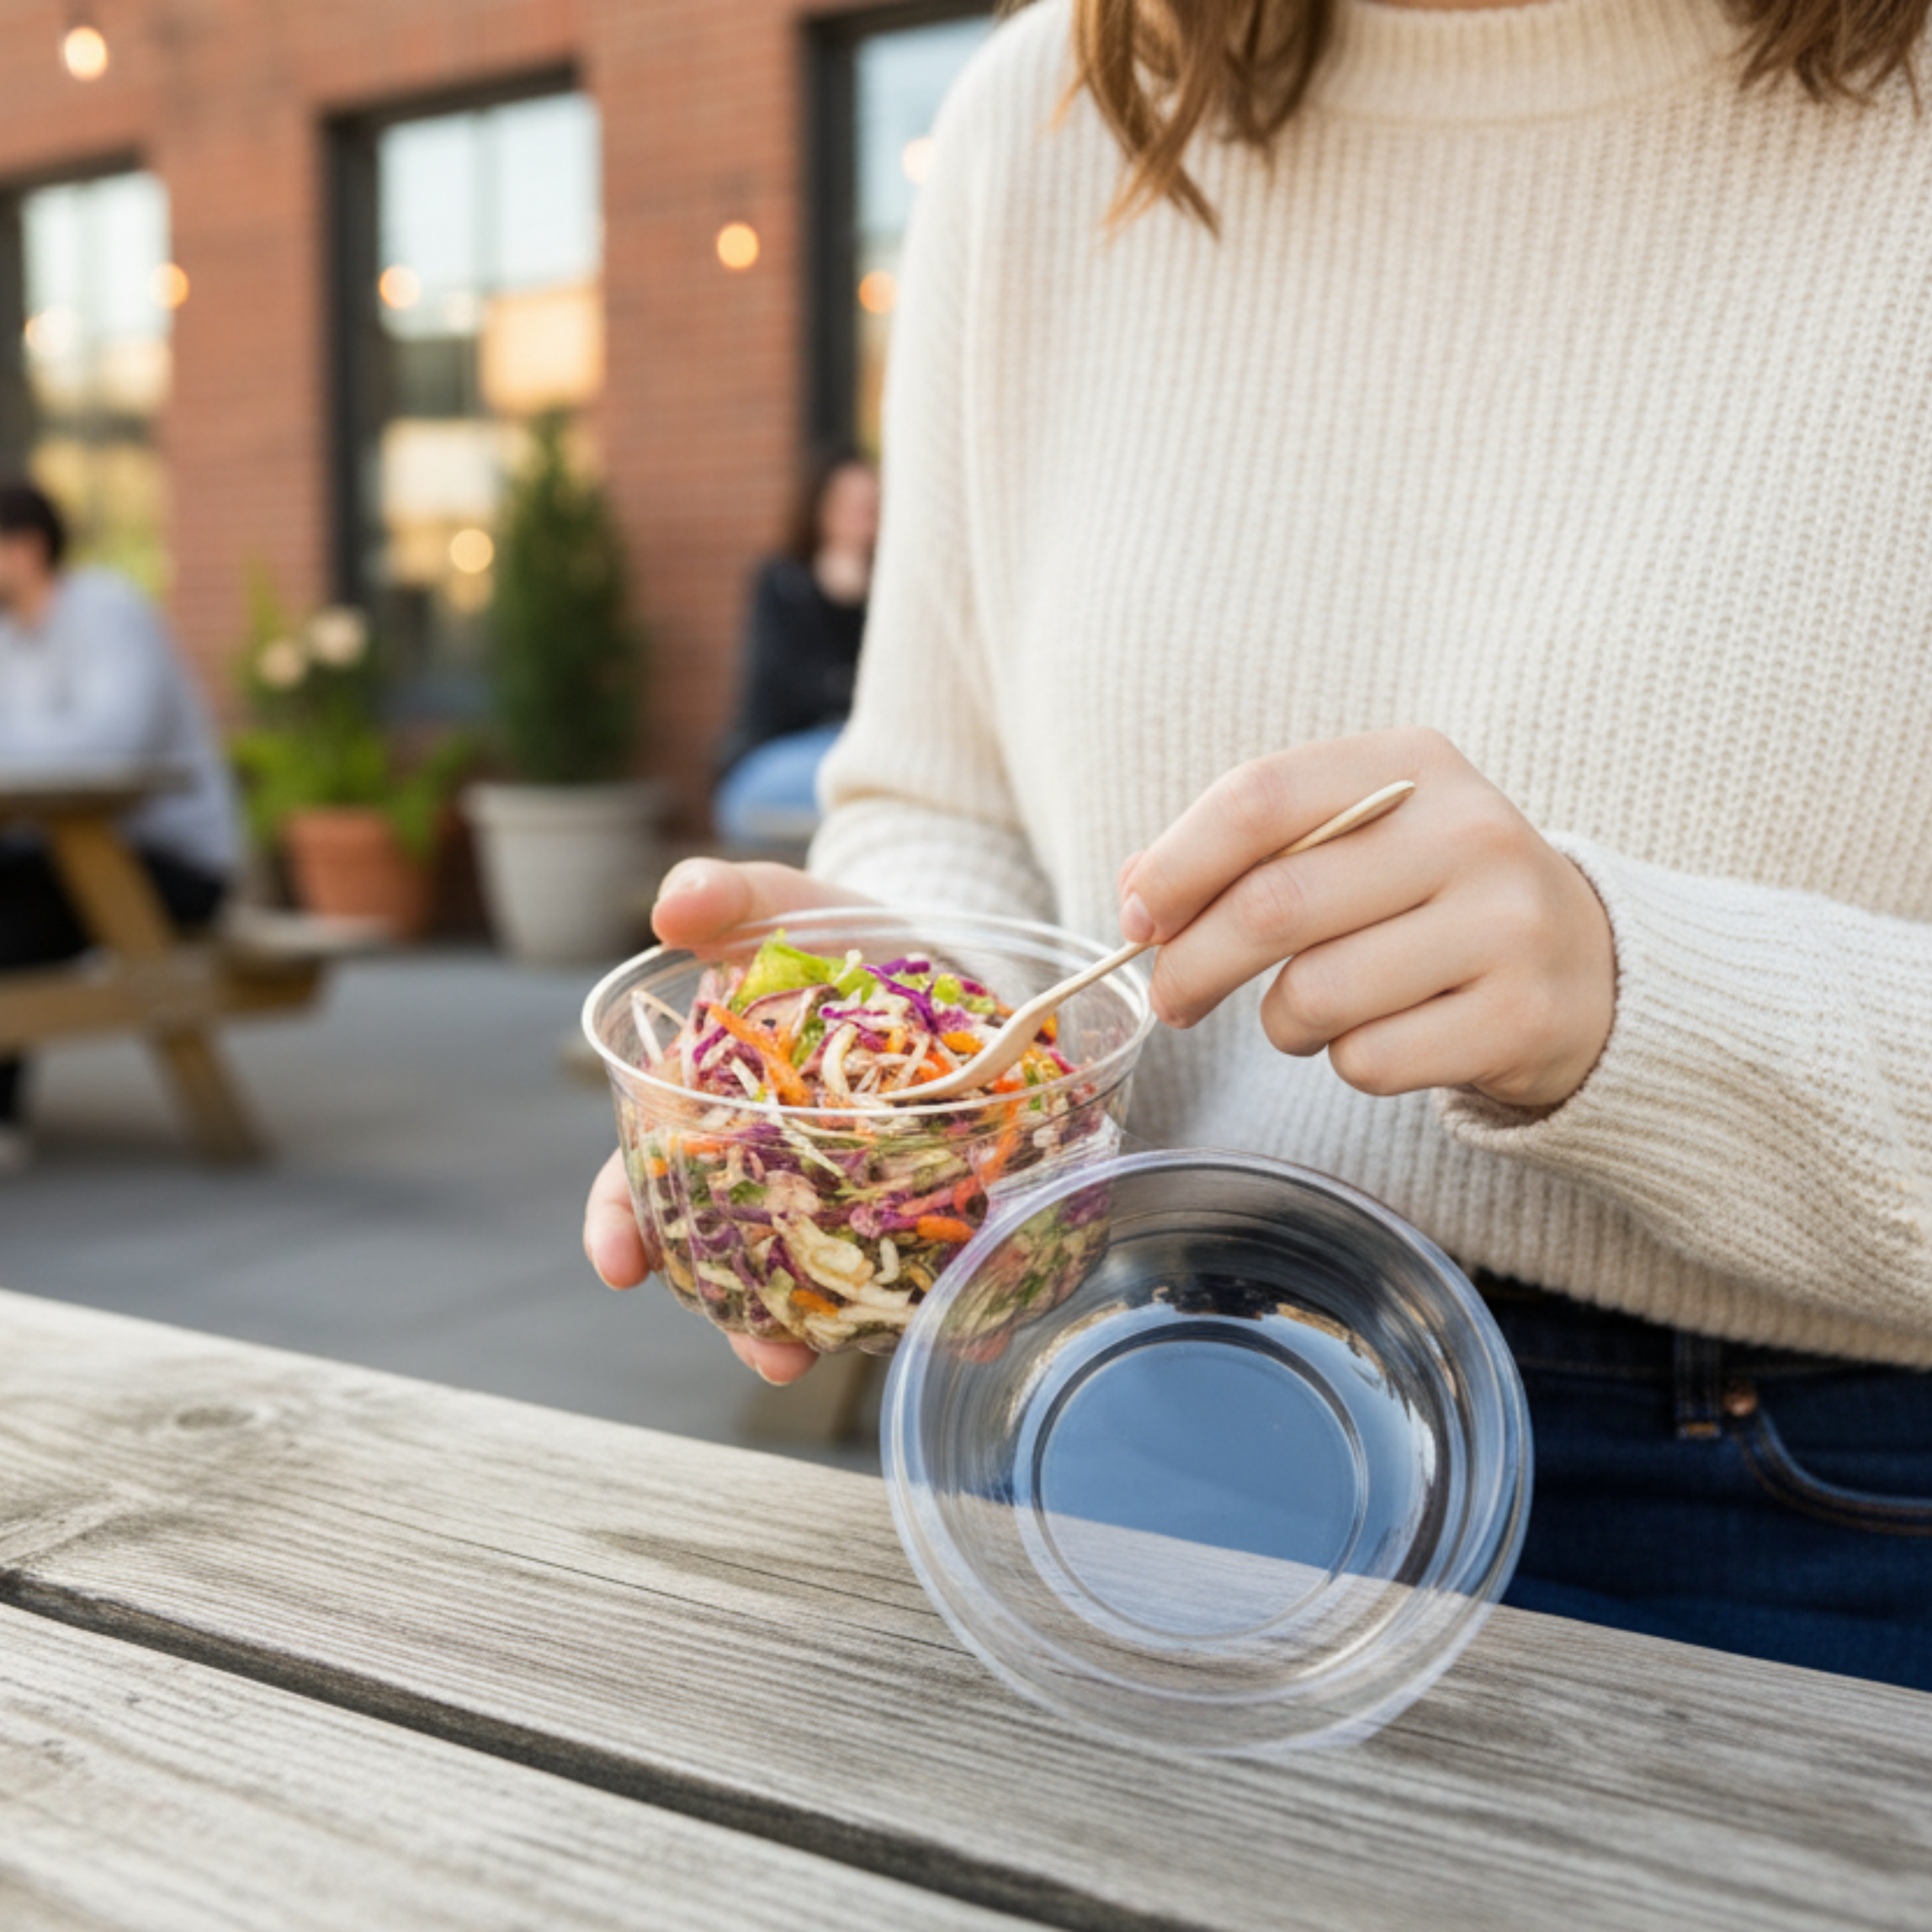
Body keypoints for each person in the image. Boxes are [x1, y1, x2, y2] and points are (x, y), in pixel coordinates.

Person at [588, 0, 1932, 1687]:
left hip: (1797, 1508)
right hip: (1094, 1407)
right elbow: (944, 804)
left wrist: (1640, 999)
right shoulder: (1055, 111)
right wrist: (906, 1066)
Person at [0, 482, 240, 1163]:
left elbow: (111, 751)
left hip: (176, 860)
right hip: (68, 848)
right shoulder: (11, 637)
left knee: (12, 919)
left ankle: (3, 1116)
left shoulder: (107, 612)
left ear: (26, 547)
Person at [712, 450, 880, 847]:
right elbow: (788, 685)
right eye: (849, 505)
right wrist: (841, 603)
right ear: (819, 508)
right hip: (780, 756)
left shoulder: (894, 591)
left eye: (871, 505)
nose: (863, 517)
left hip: (860, 749)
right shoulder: (783, 583)